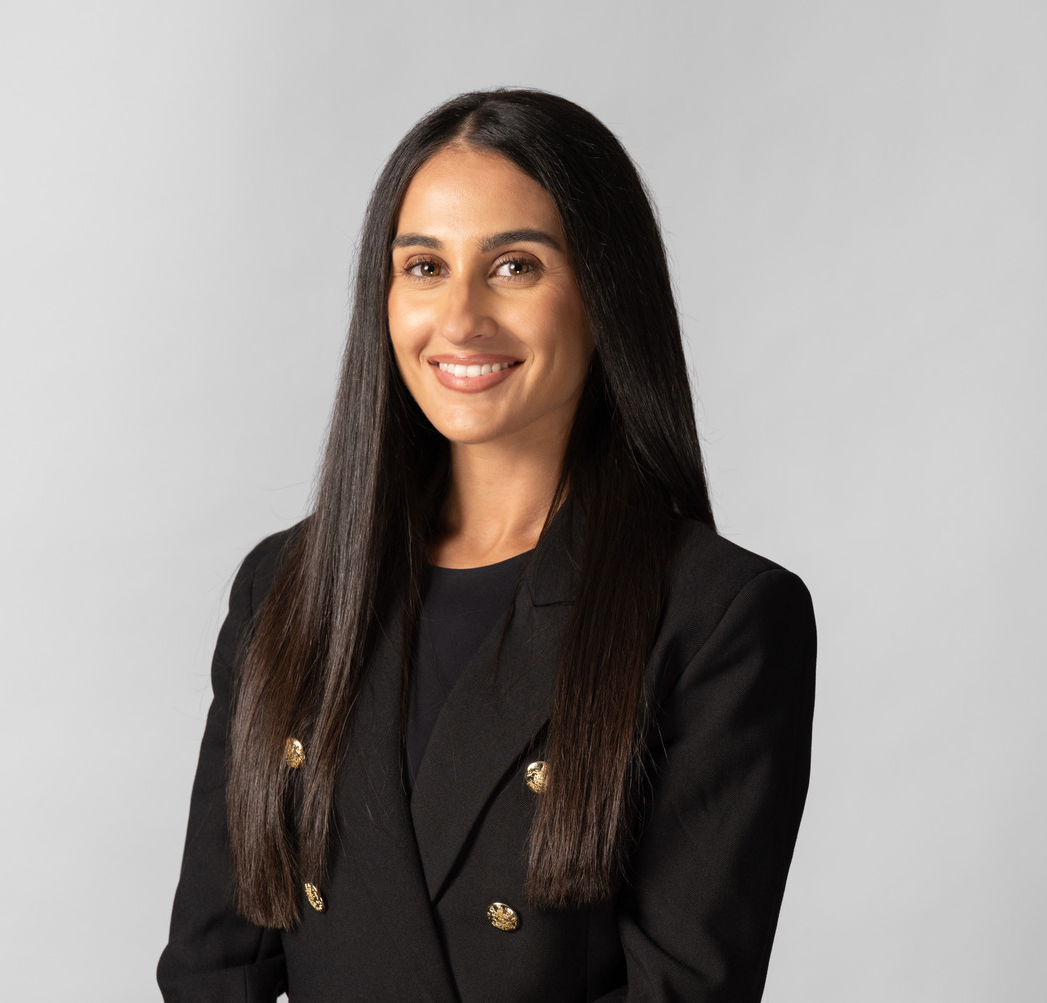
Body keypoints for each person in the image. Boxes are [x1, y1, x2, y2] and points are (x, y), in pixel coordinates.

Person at [156, 89, 816, 1002]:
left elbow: (683, 991)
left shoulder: (719, 617)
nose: (461, 317)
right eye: (425, 266)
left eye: (514, 266)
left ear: (603, 294)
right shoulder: (286, 586)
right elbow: (211, 971)